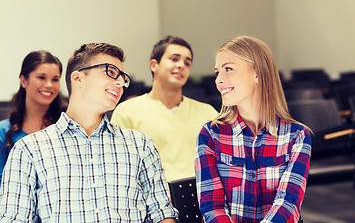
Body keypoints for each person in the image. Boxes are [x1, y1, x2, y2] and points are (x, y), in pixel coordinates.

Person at [0, 43, 178, 222]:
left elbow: (162, 213)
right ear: (78, 79)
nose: (120, 82)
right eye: (111, 72)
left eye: (123, 77)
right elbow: (14, 218)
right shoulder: (29, 150)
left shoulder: (141, 145)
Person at [195, 36, 312, 223]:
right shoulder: (210, 135)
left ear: (257, 73)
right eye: (217, 72)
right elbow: (212, 207)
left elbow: (288, 205)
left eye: (228, 69)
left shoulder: (297, 136)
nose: (218, 80)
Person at [111, 36, 218, 182]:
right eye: (174, 59)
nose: (181, 65)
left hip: (202, 198)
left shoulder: (208, 113)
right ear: (154, 65)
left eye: (187, 62)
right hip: (153, 200)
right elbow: (121, 169)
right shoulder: (126, 112)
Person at [0, 50, 66, 183]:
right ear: (24, 81)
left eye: (55, 79)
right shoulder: (3, 131)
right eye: (41, 77)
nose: (49, 85)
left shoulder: (65, 126)